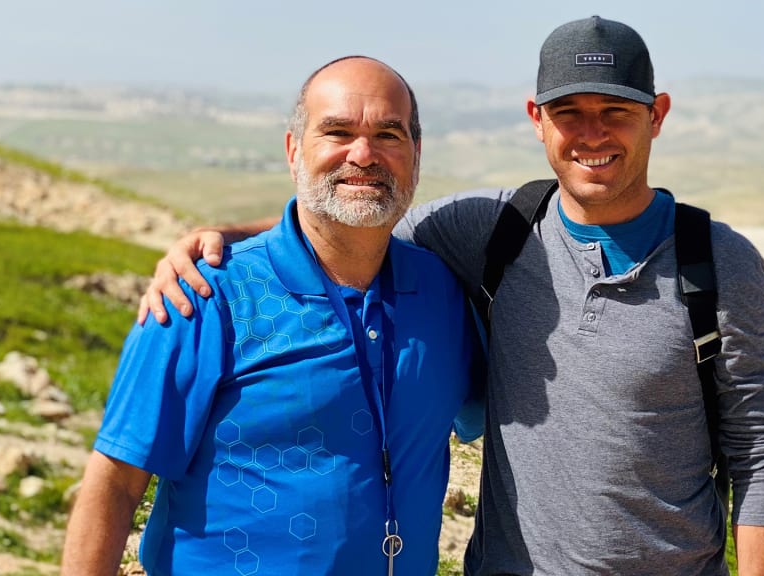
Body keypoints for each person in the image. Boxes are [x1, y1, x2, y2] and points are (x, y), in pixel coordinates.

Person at [140, 16, 764, 575]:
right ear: (537, 119)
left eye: (615, 112)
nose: (592, 134)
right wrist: (219, 240)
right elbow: (351, 217)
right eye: (569, 113)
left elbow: (759, 460)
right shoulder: (491, 230)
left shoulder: (720, 264)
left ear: (657, 115)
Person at [61, 56, 484, 576]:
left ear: (416, 154)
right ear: (293, 151)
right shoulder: (204, 294)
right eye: (337, 131)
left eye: (388, 134)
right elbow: (116, 480)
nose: (364, 153)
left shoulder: (443, 292)